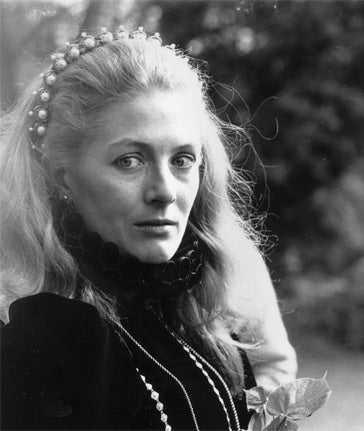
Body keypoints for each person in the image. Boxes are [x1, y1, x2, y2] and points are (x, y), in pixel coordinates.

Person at [0, 25, 296, 430]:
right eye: (130, 160)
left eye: (182, 160)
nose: (164, 192)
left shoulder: (206, 309)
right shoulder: (41, 334)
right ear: (62, 177)